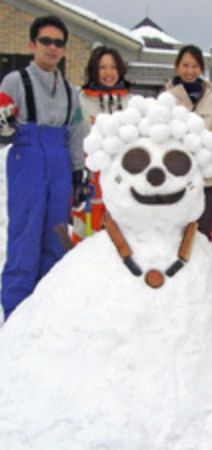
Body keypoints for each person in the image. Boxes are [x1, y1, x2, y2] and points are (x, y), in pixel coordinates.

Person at [0, 16, 86, 320]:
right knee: (25, 236)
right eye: (46, 41)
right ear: (32, 44)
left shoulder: (69, 91)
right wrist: (5, 129)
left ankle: (47, 317)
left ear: (64, 50)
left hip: (60, 161)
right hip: (28, 159)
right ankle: (15, 316)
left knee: (56, 236)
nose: (52, 48)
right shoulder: (15, 81)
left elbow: (77, 132)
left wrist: (77, 171)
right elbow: (2, 124)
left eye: (58, 43)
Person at [166, 44, 212, 239]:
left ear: (202, 69)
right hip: (176, 178)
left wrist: (201, 156)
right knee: (176, 234)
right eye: (185, 65)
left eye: (195, 66)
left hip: (207, 179)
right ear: (177, 67)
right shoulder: (167, 99)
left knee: (202, 233)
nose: (190, 71)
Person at [72, 45, 131, 243]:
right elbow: (73, 138)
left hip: (123, 177)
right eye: (102, 67)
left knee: (121, 232)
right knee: (87, 230)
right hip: (91, 178)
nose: (108, 73)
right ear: (94, 70)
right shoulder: (80, 100)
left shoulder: (130, 101)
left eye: (113, 67)